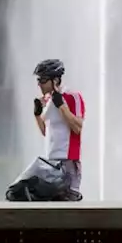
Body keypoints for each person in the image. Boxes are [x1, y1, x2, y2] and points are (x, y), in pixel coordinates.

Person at [32, 58, 85, 200]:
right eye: (38, 80)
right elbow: (46, 131)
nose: (39, 84)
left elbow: (77, 127)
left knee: (67, 207)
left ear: (55, 80)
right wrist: (37, 114)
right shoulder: (48, 101)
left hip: (67, 161)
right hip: (50, 162)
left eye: (43, 80)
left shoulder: (72, 97)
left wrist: (61, 105)